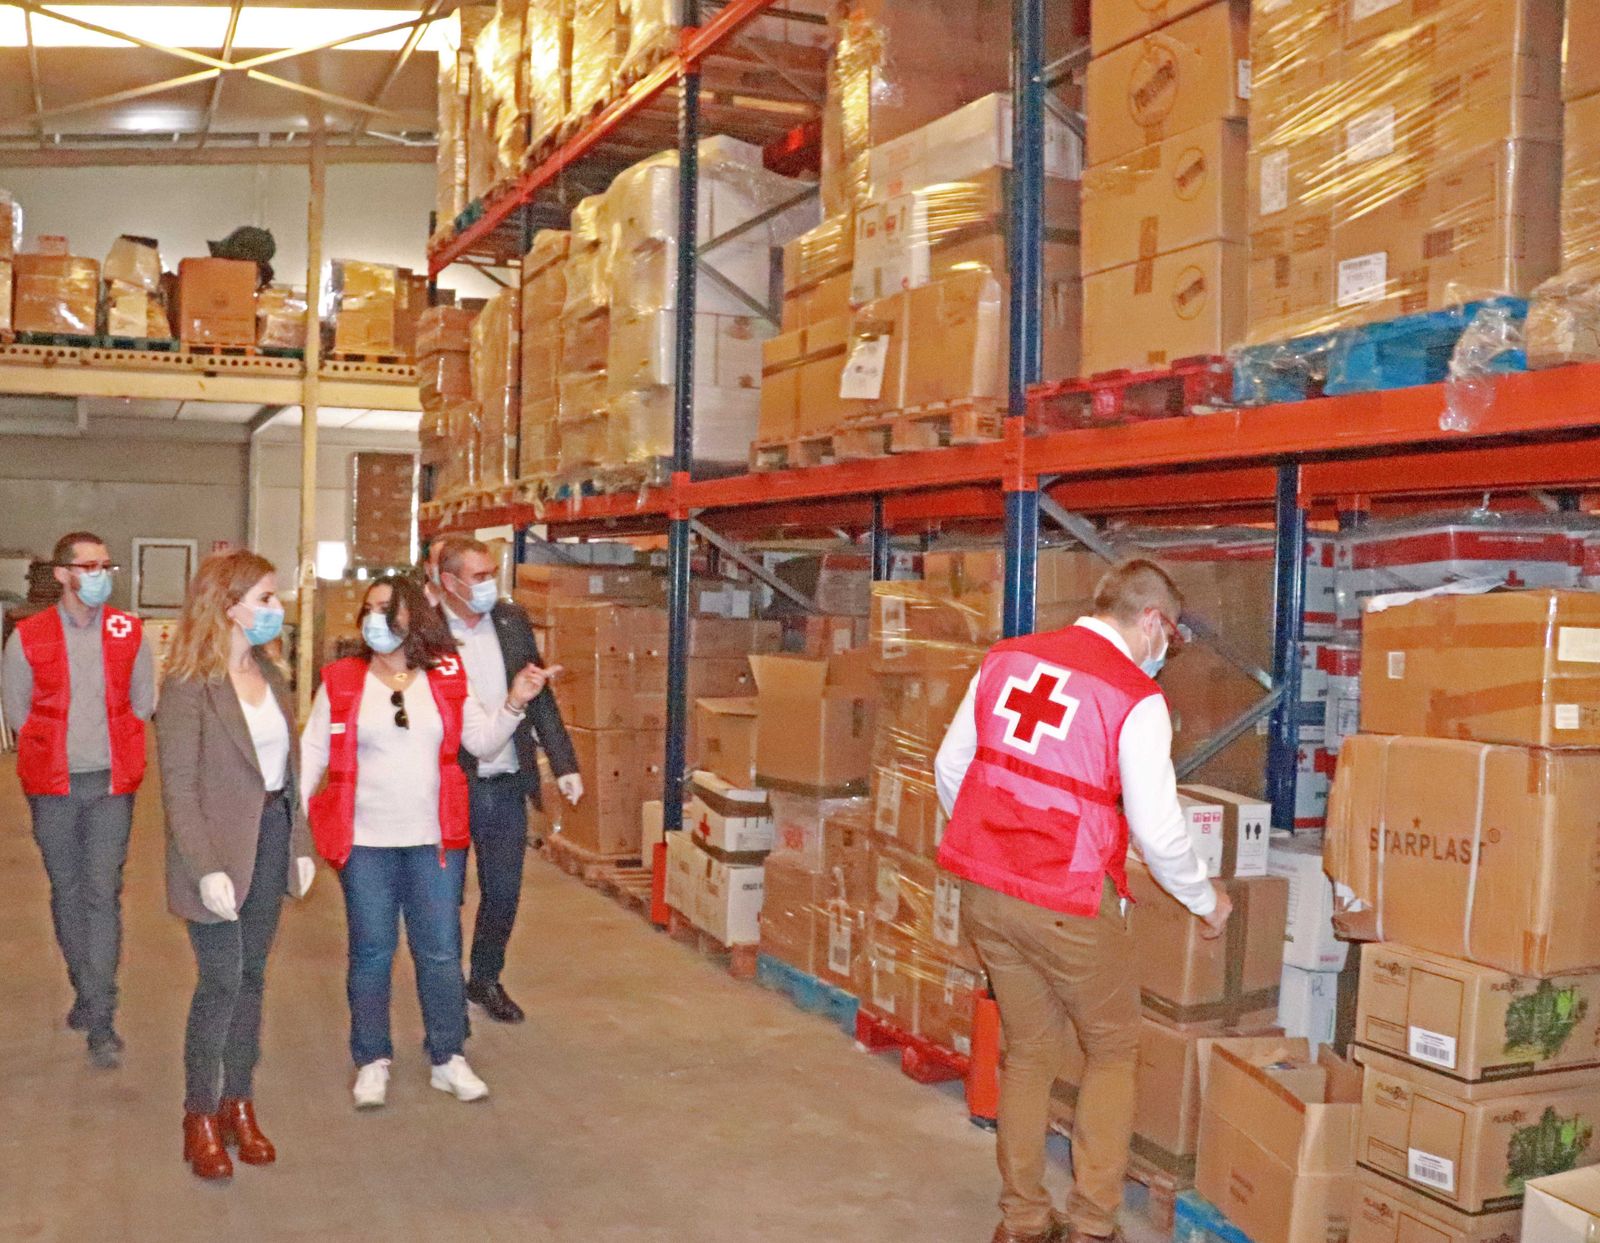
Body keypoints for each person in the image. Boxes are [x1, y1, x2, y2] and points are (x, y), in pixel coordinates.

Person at [933, 560, 1233, 1243]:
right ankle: (1094, 1224)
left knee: (1029, 1049)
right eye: (1172, 636)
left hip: (986, 889)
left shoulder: (1006, 658)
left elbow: (952, 767)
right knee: (1112, 1049)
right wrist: (1205, 898)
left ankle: (1022, 1220)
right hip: (1068, 897)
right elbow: (1159, 830)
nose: (1168, 651)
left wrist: (993, 843)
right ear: (1153, 620)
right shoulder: (1133, 695)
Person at [300, 575, 551, 1109]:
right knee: (371, 951)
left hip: (435, 841)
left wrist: (514, 702)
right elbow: (313, 754)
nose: (374, 619)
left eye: (386, 609)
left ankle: (448, 1056)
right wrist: (294, 830)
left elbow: (480, 743)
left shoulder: (446, 675)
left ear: (414, 616)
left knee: (439, 952)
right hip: (364, 841)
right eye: (368, 610)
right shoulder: (342, 680)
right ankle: (372, 1059)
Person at [155, 551, 317, 1181]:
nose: (277, 610)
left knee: (252, 980)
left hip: (270, 839)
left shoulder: (273, 678)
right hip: (216, 854)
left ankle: (237, 1103)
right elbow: (179, 789)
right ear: (229, 607)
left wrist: (299, 844)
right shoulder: (188, 687)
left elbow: (290, 776)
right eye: (267, 599)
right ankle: (198, 1114)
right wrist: (203, 867)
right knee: (221, 981)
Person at [1, 531, 156, 1068]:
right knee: (66, 890)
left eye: (105, 566)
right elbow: (17, 710)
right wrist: (53, 748)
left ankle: (101, 1013)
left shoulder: (128, 631)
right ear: (64, 574)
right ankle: (84, 986)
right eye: (89, 567)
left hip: (111, 784)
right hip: (54, 786)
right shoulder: (29, 636)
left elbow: (143, 701)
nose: (100, 575)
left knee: (101, 892)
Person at [433, 536, 581, 1024]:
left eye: (492, 573)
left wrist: (564, 764)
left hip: (505, 780)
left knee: (503, 890)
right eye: (478, 577)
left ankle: (485, 978)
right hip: (451, 781)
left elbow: (539, 696)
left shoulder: (511, 621)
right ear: (449, 582)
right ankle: (445, 984)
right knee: (446, 893)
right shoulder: (427, 633)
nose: (489, 584)